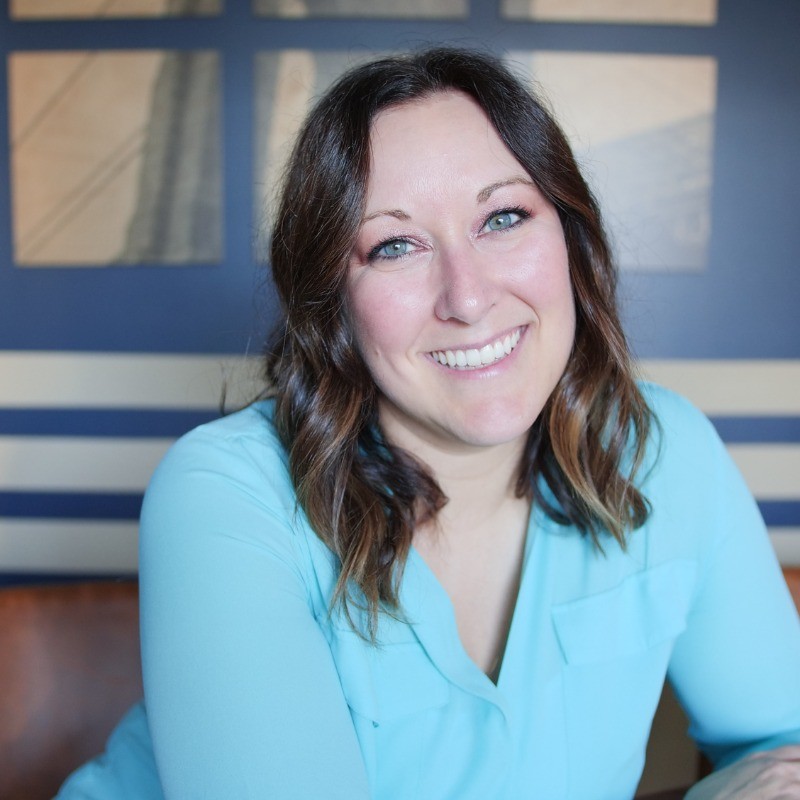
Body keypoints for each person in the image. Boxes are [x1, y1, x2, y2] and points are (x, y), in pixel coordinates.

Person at [58, 47, 800, 800]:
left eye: (503, 217)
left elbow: (783, 742)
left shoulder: (661, 450)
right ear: (332, 301)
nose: (468, 298)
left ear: (570, 240)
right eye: (395, 246)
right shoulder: (227, 492)